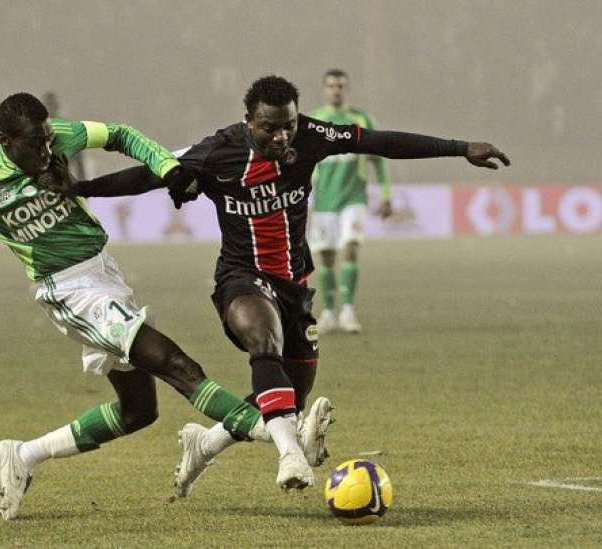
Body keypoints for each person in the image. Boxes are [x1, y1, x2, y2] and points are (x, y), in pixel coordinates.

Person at [0, 92, 332, 520]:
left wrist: (166, 166)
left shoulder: (58, 136)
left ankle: (22, 455)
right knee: (178, 365)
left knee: (139, 412)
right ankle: (284, 442)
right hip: (70, 292)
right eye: (35, 146)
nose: (48, 153)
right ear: (6, 141)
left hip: (106, 276)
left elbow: (119, 134)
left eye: (49, 141)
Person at [77, 75, 510, 498]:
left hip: (294, 286)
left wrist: (459, 148)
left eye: (289, 125)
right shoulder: (218, 151)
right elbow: (149, 175)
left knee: (291, 397)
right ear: (249, 121)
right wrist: (81, 189)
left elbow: (379, 142)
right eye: (270, 128)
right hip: (241, 278)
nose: (282, 136)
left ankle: (205, 444)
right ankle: (290, 456)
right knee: (263, 343)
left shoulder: (311, 136)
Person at [308, 69, 391, 334]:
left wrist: (386, 194)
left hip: (354, 197)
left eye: (341, 86)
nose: (336, 90)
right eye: (331, 85)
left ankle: (347, 311)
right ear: (324, 89)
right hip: (323, 199)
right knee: (326, 255)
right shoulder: (314, 121)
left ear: (347, 88)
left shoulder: (361, 119)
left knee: (351, 247)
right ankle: (329, 312)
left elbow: (379, 158)